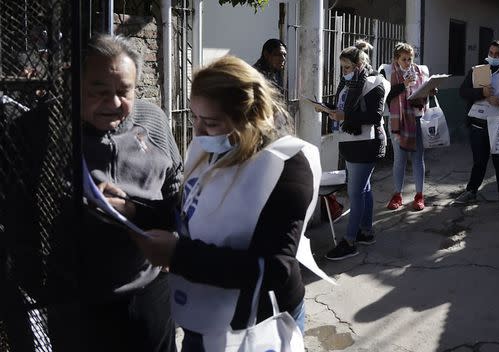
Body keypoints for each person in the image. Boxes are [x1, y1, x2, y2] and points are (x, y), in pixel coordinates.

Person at [134, 56, 324, 349]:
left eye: (210, 122)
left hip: (258, 325)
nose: (197, 132)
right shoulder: (209, 147)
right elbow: (185, 207)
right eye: (194, 117)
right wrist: (132, 210)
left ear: (248, 117)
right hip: (203, 316)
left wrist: (179, 255)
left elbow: (275, 269)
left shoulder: (285, 165)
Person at [45, 34, 181, 352]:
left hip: (150, 290)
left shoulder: (152, 118)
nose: (115, 103)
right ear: (75, 85)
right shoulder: (49, 127)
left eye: (124, 91)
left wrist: (173, 237)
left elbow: (175, 184)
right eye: (99, 92)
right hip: (79, 301)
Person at [322, 41, 387, 261]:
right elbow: (342, 107)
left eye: (347, 67)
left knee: (356, 192)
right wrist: (327, 108)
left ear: (360, 64)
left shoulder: (375, 83)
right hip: (350, 141)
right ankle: (366, 232)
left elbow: (374, 117)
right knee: (364, 188)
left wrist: (344, 117)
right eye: (342, 67)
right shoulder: (347, 83)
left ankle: (350, 241)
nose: (344, 72)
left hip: (366, 144)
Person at [453, 40, 499, 214]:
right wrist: (481, 93)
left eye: (498, 54)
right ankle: (471, 191)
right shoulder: (477, 70)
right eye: (491, 53)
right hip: (477, 124)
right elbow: (463, 92)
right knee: (478, 161)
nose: (494, 57)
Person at [380, 42, 432, 211]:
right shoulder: (387, 72)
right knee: (399, 160)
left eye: (410, 59)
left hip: (416, 119)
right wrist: (404, 85)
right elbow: (385, 97)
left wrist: (430, 92)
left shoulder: (419, 71)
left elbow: (423, 94)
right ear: (396, 58)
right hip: (397, 121)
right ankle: (397, 194)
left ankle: (419, 195)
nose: (408, 63)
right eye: (404, 59)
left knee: (418, 159)